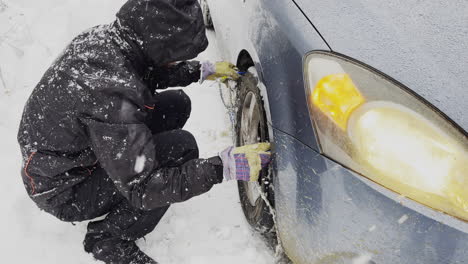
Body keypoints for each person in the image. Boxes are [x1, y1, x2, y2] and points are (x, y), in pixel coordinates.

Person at [17, 0, 271, 263]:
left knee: (177, 105)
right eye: (177, 57)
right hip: (66, 188)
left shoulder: (112, 42)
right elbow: (143, 189)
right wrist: (222, 167)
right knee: (181, 149)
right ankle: (109, 238)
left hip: (70, 155)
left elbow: (145, 70)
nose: (178, 62)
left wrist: (200, 72)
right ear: (155, 44)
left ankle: (134, 162)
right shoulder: (112, 99)